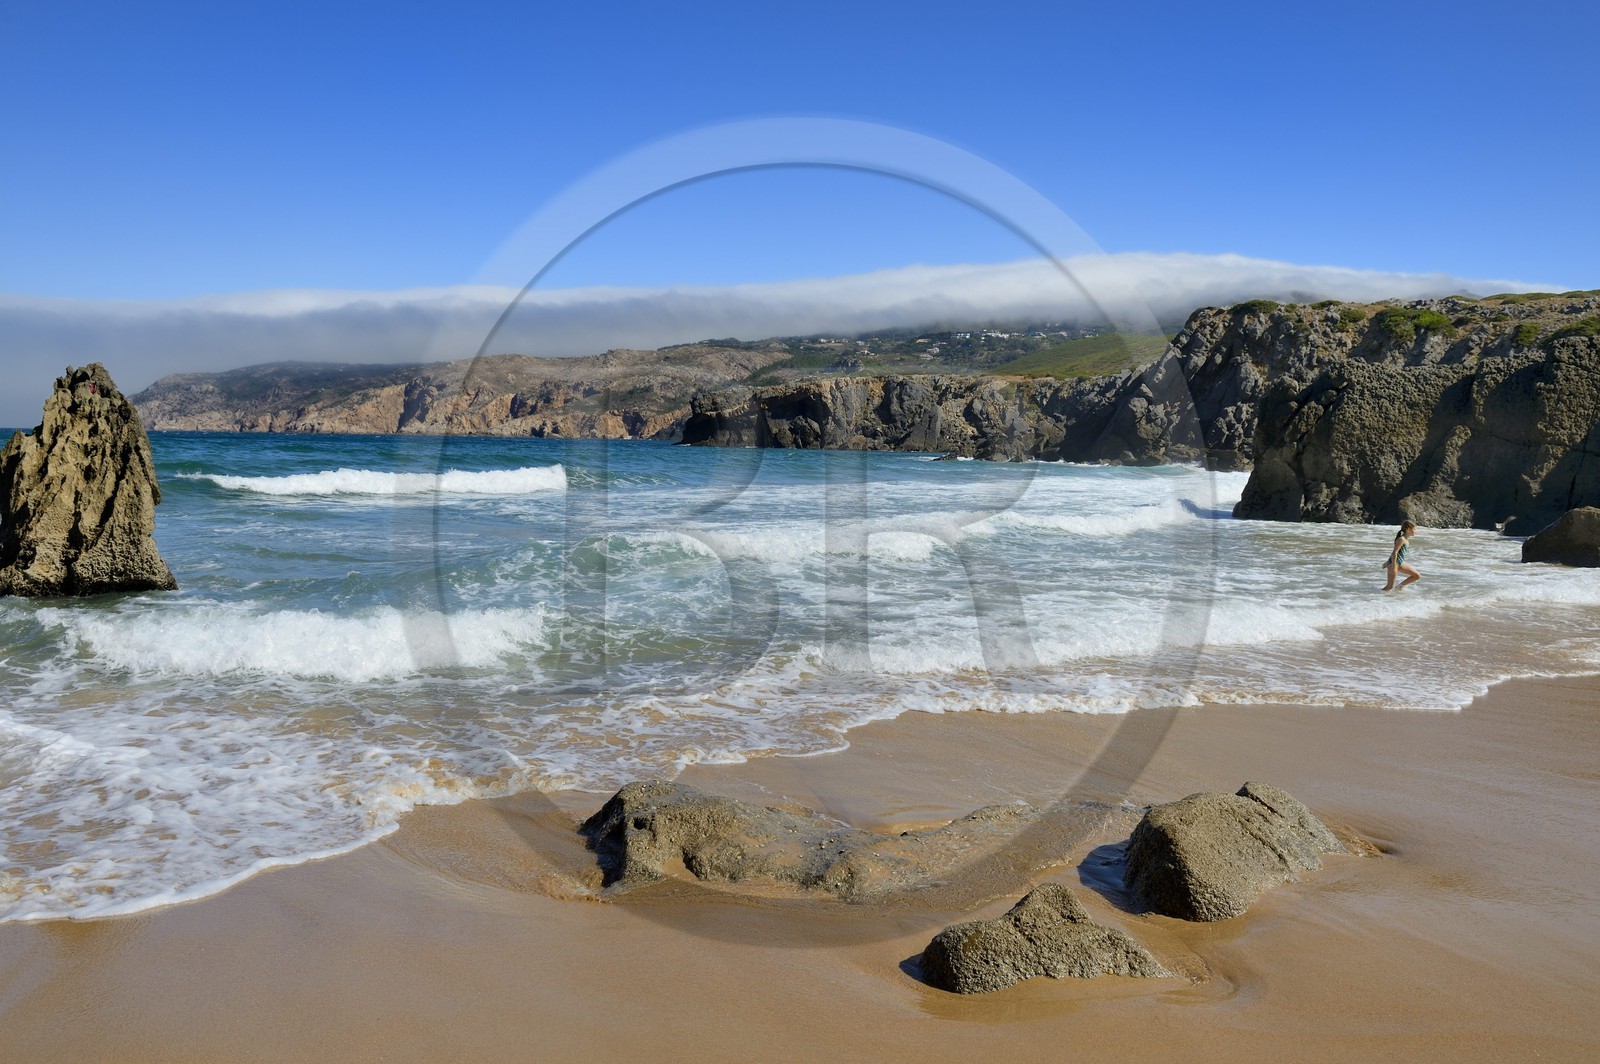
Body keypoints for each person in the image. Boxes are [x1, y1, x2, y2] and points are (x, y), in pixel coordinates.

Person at [1382, 520, 1421, 590]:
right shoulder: (1401, 539)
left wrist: (1387, 563)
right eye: (1414, 529)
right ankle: (1377, 597)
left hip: (1399, 562)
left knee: (1417, 575)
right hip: (1395, 564)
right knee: (1389, 587)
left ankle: (1399, 587)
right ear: (1408, 529)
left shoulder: (1406, 540)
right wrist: (1393, 566)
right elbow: (1394, 552)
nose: (1416, 531)